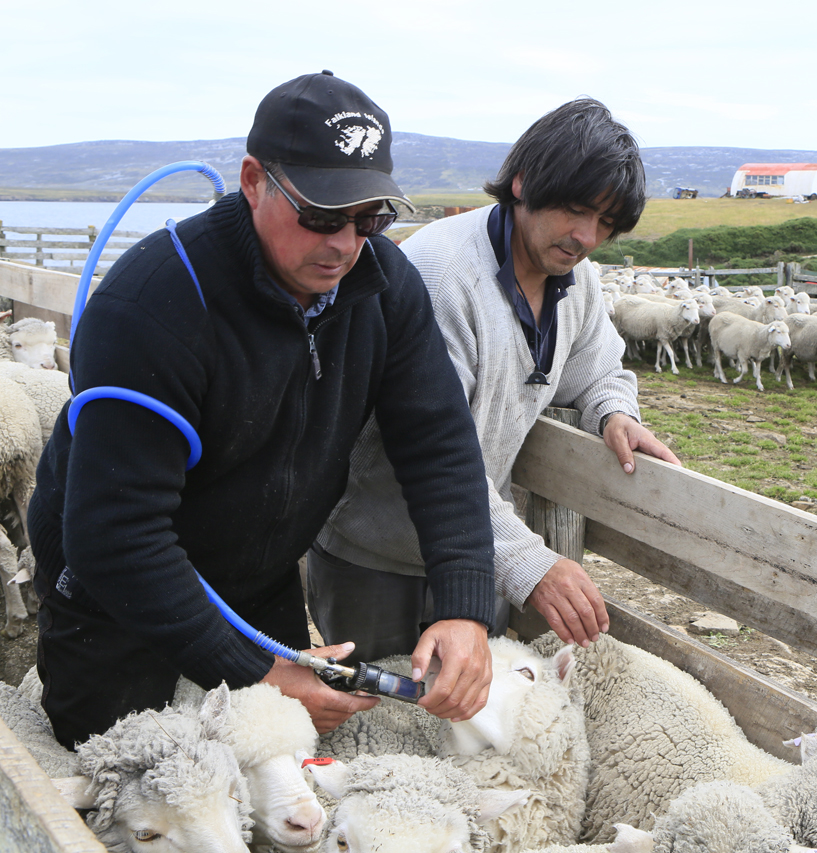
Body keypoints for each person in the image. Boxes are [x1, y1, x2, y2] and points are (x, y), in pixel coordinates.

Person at [29, 71, 497, 749]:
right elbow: (116, 532)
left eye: (370, 218)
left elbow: (439, 444)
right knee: (135, 787)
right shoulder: (156, 303)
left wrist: (464, 606)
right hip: (117, 595)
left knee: (279, 778)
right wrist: (256, 672)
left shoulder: (384, 289)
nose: (344, 243)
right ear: (253, 180)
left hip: (256, 580)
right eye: (320, 215)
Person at [310, 98, 680, 658]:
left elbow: (597, 364)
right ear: (524, 183)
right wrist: (529, 561)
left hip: (479, 554)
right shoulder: (441, 276)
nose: (585, 236)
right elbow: (431, 449)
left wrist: (613, 411)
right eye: (574, 209)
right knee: (378, 719)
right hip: (378, 552)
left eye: (605, 222)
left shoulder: (576, 280)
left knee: (476, 722)